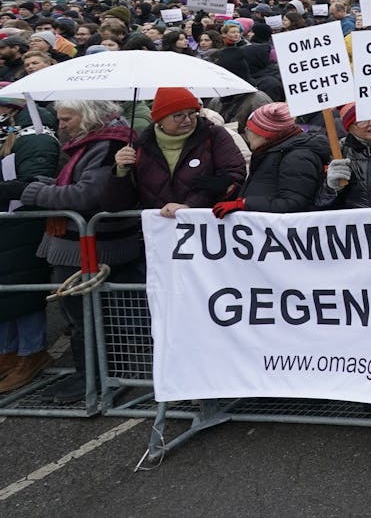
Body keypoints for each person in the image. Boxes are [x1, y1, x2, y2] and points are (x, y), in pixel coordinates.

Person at [6, 100, 135, 402]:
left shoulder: (105, 145)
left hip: (89, 243)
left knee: (86, 316)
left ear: (89, 117)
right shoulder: (92, 143)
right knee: (85, 315)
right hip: (81, 241)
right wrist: (40, 183)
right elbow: (78, 184)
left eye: (67, 118)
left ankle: (95, 378)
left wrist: (27, 191)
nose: (60, 124)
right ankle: (93, 375)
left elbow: (86, 194)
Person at [0, 91, 58, 393]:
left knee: (21, 288)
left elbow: (37, 179)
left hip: (20, 227)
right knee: (8, 292)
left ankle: (30, 352)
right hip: (11, 226)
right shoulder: (16, 138)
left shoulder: (35, 136)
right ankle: (10, 351)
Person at [116, 87, 247, 217]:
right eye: (179, 115)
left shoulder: (214, 135)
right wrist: (120, 170)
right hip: (157, 229)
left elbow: (233, 176)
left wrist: (189, 206)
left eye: (192, 113)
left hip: (206, 225)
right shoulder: (141, 145)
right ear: (160, 119)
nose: (188, 120)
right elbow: (116, 203)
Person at [211, 103, 331, 216]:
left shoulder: (297, 158)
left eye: (249, 129)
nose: (246, 133)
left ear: (266, 134)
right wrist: (233, 191)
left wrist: (244, 204)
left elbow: (294, 204)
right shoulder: (271, 151)